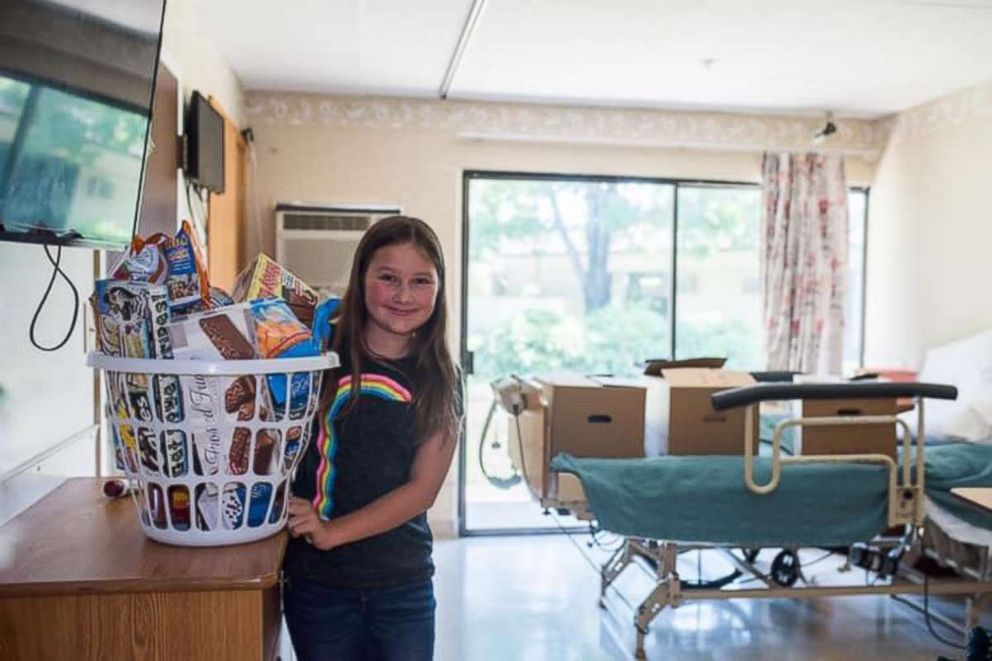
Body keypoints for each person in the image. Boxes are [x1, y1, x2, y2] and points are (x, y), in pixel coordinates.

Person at [283, 215, 462, 661]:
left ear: (438, 290)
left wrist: (332, 531)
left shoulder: (442, 378)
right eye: (388, 278)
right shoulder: (317, 354)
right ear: (361, 277)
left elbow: (422, 490)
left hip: (402, 586)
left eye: (421, 281)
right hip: (317, 586)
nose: (404, 296)